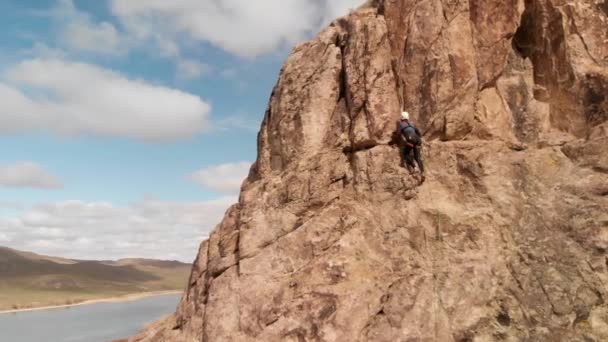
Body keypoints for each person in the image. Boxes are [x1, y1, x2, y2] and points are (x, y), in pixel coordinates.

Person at [398, 111, 425, 181]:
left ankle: (414, 166)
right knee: (417, 157)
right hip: (418, 140)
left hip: (410, 140)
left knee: (406, 154)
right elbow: (418, 132)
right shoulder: (412, 123)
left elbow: (399, 134)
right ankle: (422, 173)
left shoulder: (401, 124)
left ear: (401, 118)